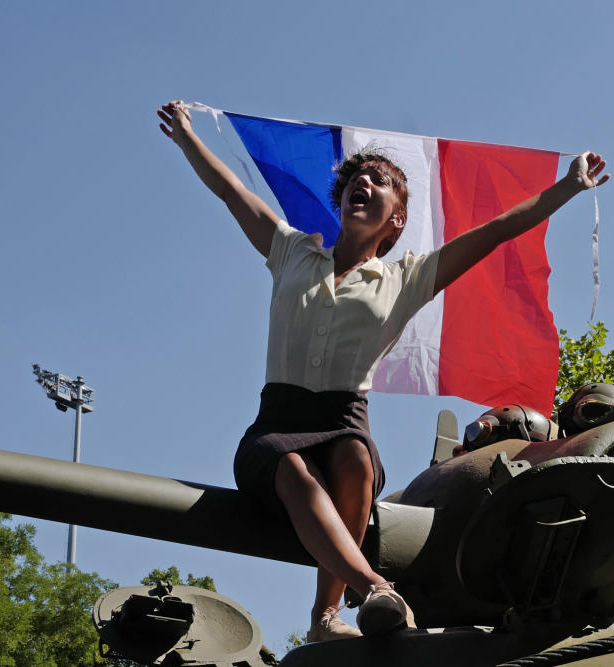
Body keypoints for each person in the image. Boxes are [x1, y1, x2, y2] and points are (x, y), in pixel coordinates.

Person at [156, 99, 609, 642]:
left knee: (356, 464)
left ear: (396, 219)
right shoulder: (291, 253)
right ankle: (373, 587)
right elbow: (233, 192)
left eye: (379, 180)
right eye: (356, 180)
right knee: (295, 473)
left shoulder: (406, 280)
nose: (362, 183)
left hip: (345, 417)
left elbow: (497, 231)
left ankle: (324, 616)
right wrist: (187, 137)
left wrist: (568, 187)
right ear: (343, 201)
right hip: (277, 424)